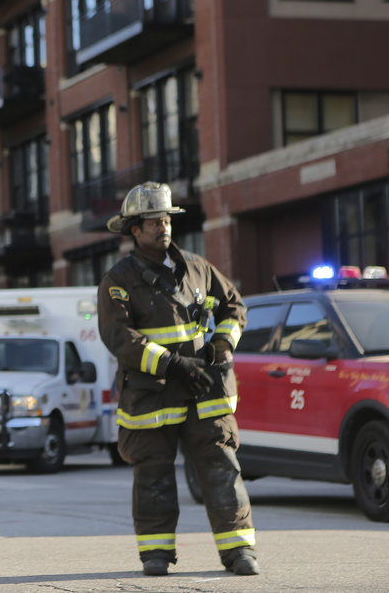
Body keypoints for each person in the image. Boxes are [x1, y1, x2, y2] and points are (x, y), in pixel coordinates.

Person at [96, 182, 258, 577]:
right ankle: (156, 555)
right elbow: (120, 337)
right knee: (153, 476)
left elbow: (234, 305)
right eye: (153, 222)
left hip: (206, 393)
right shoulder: (118, 281)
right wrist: (172, 364)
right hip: (153, 397)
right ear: (134, 230)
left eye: (166, 219)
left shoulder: (198, 269)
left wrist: (223, 343)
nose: (162, 227)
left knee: (222, 469)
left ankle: (239, 552)